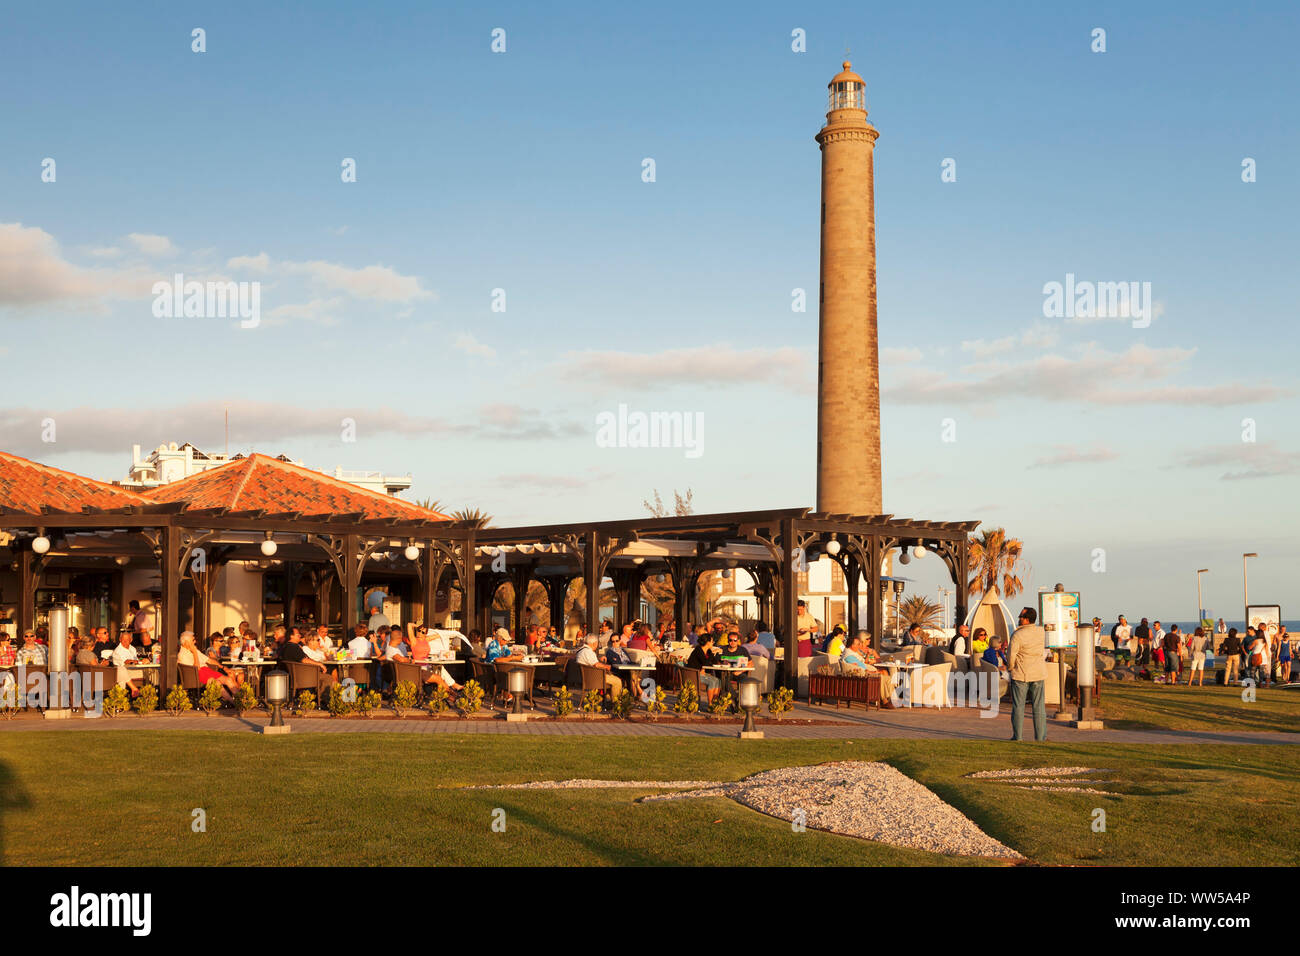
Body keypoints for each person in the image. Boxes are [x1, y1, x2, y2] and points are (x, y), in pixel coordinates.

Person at [1007, 607, 1047, 742]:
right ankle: (1040, 737)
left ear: (1027, 619)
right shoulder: (1041, 632)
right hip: (1038, 672)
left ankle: (1017, 737)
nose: (1019, 619)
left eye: (1021, 617)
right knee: (1039, 707)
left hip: (1021, 673)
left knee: (1019, 706)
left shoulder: (1018, 635)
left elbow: (1011, 654)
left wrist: (1010, 668)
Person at [178, 631, 238, 701]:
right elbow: (196, 669)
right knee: (216, 683)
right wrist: (194, 653)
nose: (195, 642)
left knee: (228, 679)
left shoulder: (195, 650)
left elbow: (209, 660)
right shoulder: (182, 655)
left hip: (207, 670)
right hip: (197, 675)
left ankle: (242, 700)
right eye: (193, 640)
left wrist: (224, 668)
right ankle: (233, 702)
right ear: (186, 642)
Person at [684, 633, 720, 705]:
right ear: (707, 642)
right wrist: (712, 654)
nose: (713, 643)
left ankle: (715, 703)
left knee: (718, 681)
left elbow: (714, 662)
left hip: (701, 673)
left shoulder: (708, 651)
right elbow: (705, 662)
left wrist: (717, 655)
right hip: (693, 674)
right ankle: (710, 704)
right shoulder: (698, 650)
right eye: (712, 641)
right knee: (712, 681)